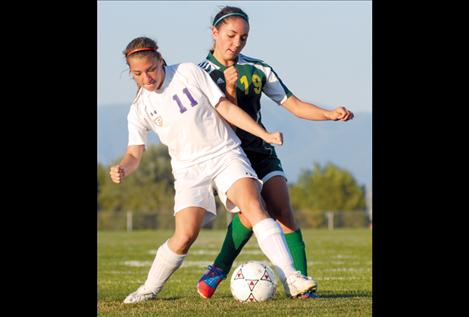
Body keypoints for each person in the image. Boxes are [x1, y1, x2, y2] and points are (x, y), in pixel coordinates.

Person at [111, 36, 317, 304]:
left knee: (254, 206)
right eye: (138, 74)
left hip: (225, 154)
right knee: (184, 236)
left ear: (161, 61)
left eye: (151, 69)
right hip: (188, 171)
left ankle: (292, 276)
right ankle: (148, 289)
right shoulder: (139, 108)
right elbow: (134, 153)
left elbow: (225, 107)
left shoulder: (188, 72)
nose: (146, 77)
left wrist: (263, 134)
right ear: (131, 73)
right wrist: (123, 169)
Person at [196, 6, 354, 300]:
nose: (237, 43)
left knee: (282, 209)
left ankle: (302, 286)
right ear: (214, 33)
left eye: (243, 38)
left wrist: (330, 113)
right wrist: (229, 88)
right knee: (251, 209)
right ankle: (219, 268)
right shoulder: (197, 75)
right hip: (226, 156)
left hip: (260, 149)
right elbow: (221, 119)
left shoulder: (258, 68)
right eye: (231, 35)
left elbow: (293, 104)